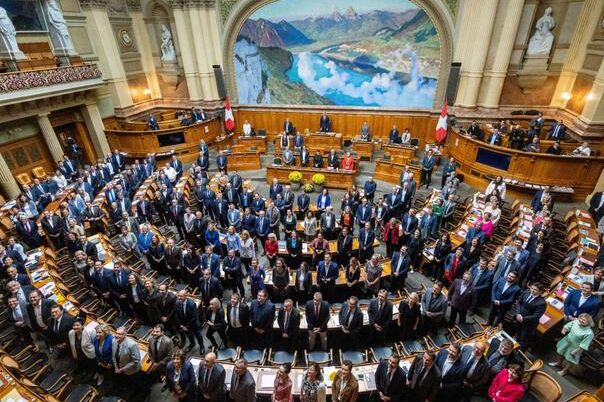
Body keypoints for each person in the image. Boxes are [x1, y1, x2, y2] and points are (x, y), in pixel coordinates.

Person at [510, 283, 546, 350]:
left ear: (540, 292)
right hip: (519, 318)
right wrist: (518, 314)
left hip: (529, 324)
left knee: (524, 339)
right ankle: (514, 348)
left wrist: (523, 318)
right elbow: (518, 302)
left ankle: (521, 352)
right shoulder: (526, 292)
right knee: (517, 333)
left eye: (535, 290)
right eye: (531, 288)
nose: (532, 290)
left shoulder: (542, 303)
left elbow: (536, 316)